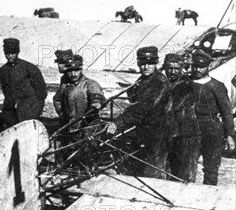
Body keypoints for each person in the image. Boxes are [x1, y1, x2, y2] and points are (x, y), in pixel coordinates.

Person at [107, 46, 171, 179]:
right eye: (143, 64)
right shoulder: (143, 80)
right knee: (138, 169)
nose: (146, 67)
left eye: (150, 63)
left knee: (153, 172)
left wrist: (118, 122)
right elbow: (133, 99)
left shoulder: (159, 82)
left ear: (156, 64)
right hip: (144, 131)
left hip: (158, 133)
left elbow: (142, 108)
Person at [190, 49, 236, 185]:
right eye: (195, 66)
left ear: (208, 66)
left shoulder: (216, 86)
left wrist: (230, 135)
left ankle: (208, 199)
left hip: (211, 130)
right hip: (190, 129)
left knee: (210, 168)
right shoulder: (186, 84)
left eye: (201, 66)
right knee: (188, 165)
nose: (198, 69)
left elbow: (226, 112)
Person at [163, 54, 202, 182]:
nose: (172, 72)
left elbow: (173, 107)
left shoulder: (188, 86)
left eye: (176, 68)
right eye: (169, 68)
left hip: (186, 136)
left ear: (182, 69)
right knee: (169, 173)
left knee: (185, 176)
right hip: (171, 134)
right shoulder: (166, 84)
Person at [0, 38, 47, 128]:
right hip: (11, 107)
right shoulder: (3, 70)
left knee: (28, 129)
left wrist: (37, 108)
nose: (10, 56)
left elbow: (41, 90)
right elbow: (5, 88)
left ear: (17, 52)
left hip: (29, 106)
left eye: (12, 53)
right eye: (7, 54)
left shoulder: (29, 68)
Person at [53, 55, 105, 138]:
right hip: (69, 128)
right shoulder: (64, 86)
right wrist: (62, 114)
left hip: (89, 129)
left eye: (76, 70)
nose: (73, 74)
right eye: (70, 71)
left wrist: (96, 103)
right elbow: (57, 100)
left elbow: (97, 95)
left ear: (81, 69)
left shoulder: (90, 84)